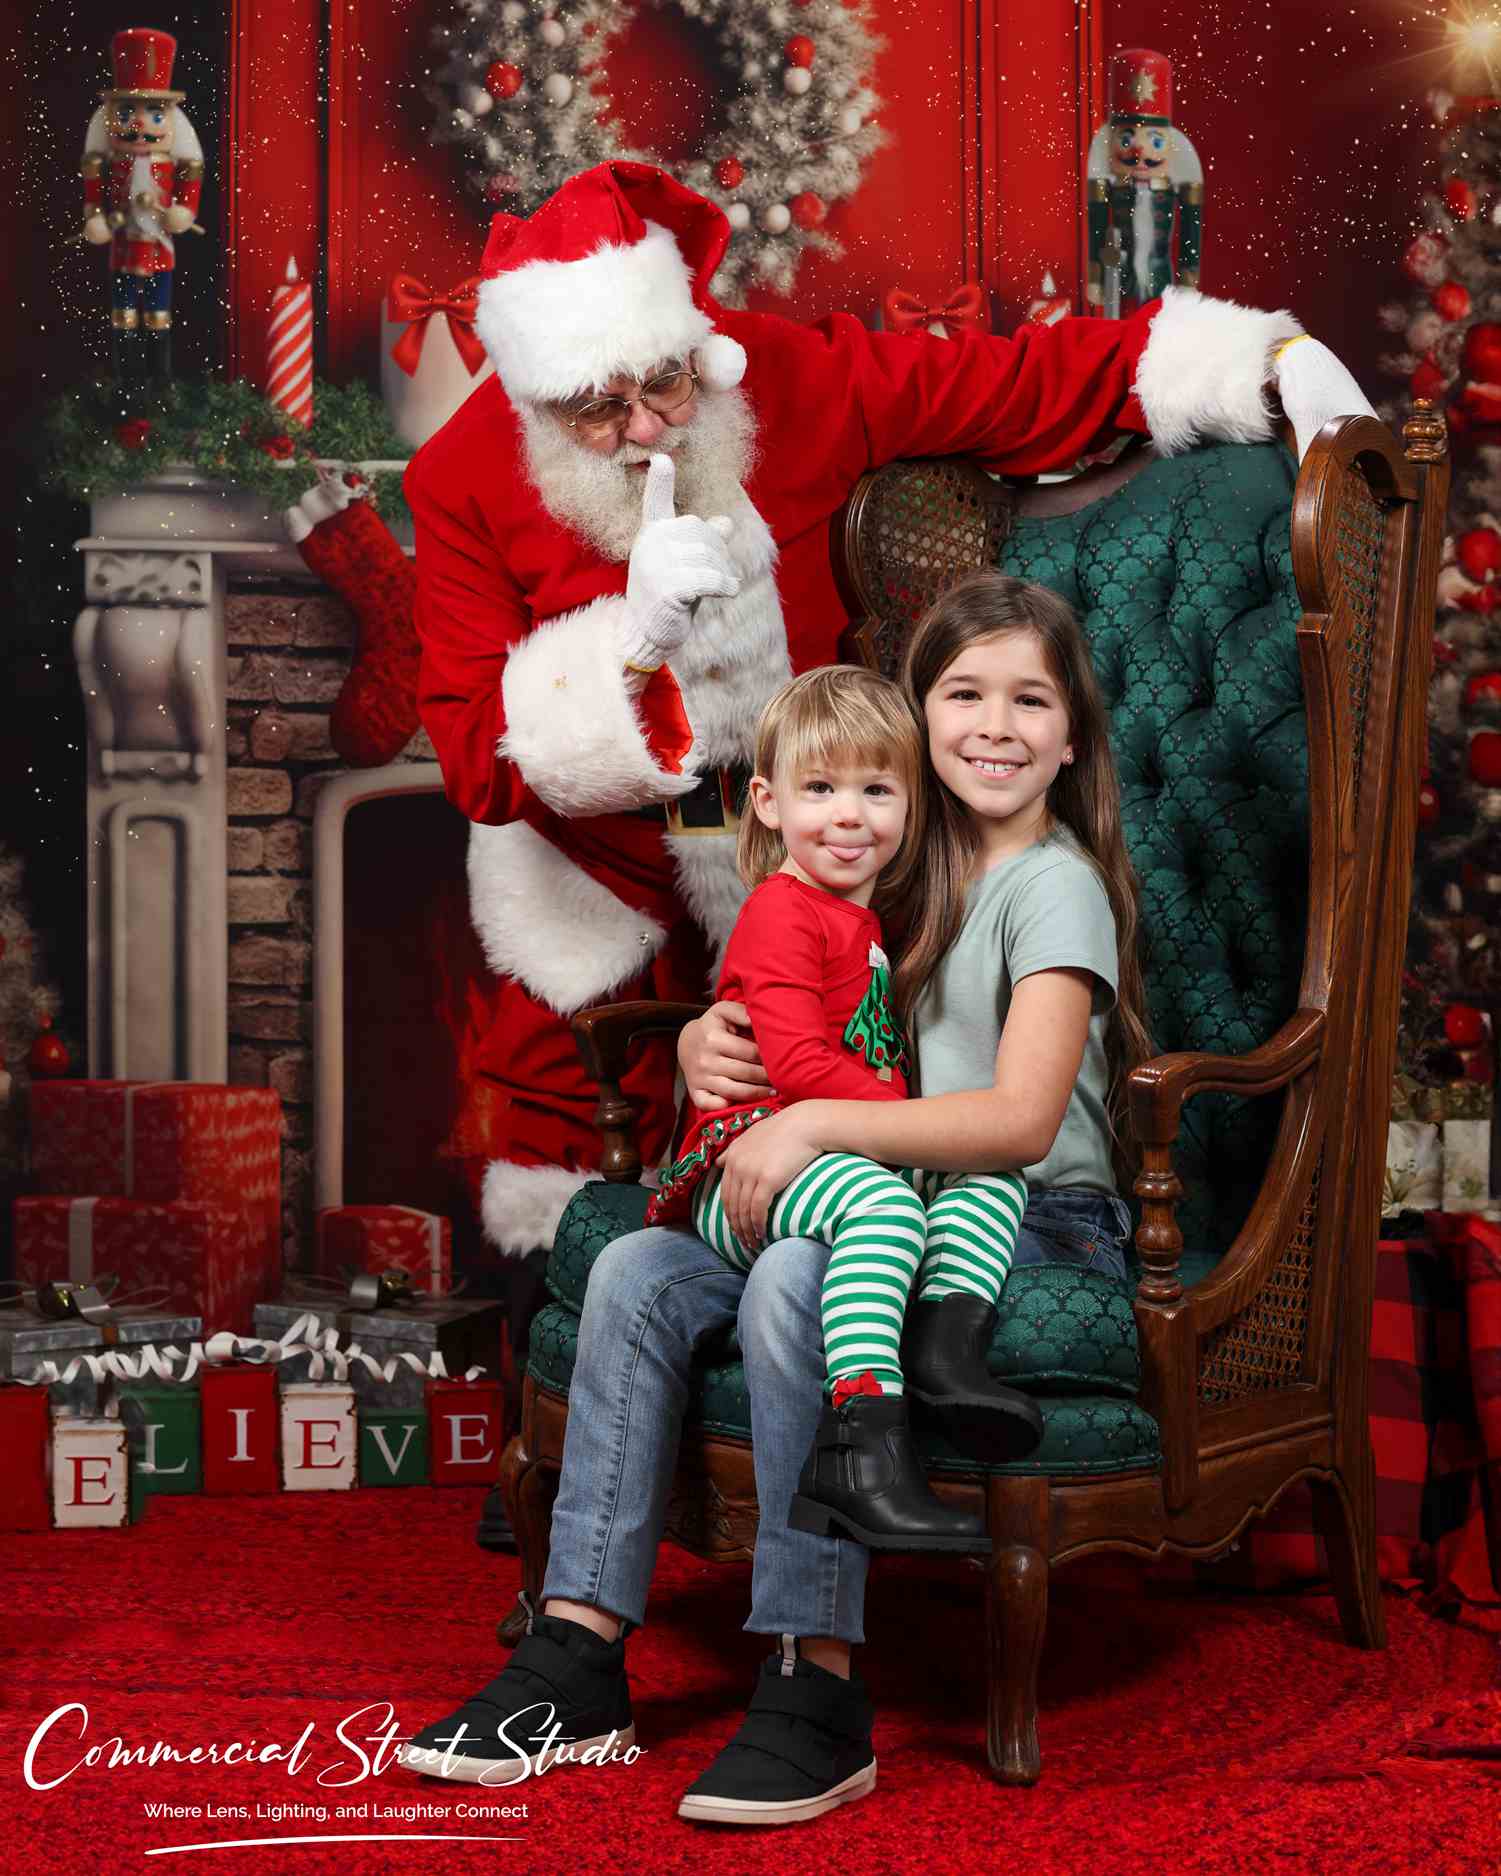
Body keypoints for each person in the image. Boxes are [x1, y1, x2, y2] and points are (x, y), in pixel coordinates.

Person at [407, 156, 1373, 1282]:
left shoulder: (786, 377)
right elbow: (479, 760)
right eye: (597, 408)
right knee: (576, 1222)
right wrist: (633, 642)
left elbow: (1012, 384)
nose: (644, 428)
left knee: (832, 1201)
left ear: (692, 344)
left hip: (829, 858)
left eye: (663, 386)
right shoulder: (461, 476)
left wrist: (1264, 357)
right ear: (535, 399)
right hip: (611, 897)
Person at [398, 569, 1147, 1825]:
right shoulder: (899, 877)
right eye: (962, 696)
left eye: (1031, 700)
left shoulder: (1049, 885)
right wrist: (709, 1045)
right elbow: (800, 1004)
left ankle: (818, 1674)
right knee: (636, 1270)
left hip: (1019, 1216)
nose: (995, 726)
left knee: (798, 1278)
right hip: (873, 1190)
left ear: (1071, 736)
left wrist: (801, 1118)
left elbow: (1017, 1119)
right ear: (913, 735)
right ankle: (577, 1646)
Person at [643, 661, 1037, 1553]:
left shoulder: (861, 925)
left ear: (910, 807)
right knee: (891, 1200)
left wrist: (927, 1137)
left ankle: (944, 1357)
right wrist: (906, 1129)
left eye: (875, 789)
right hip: (743, 1165)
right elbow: (799, 1063)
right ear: (768, 802)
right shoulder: (783, 913)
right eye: (819, 788)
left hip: (827, 1152)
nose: (849, 815)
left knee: (990, 1177)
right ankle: (861, 1444)